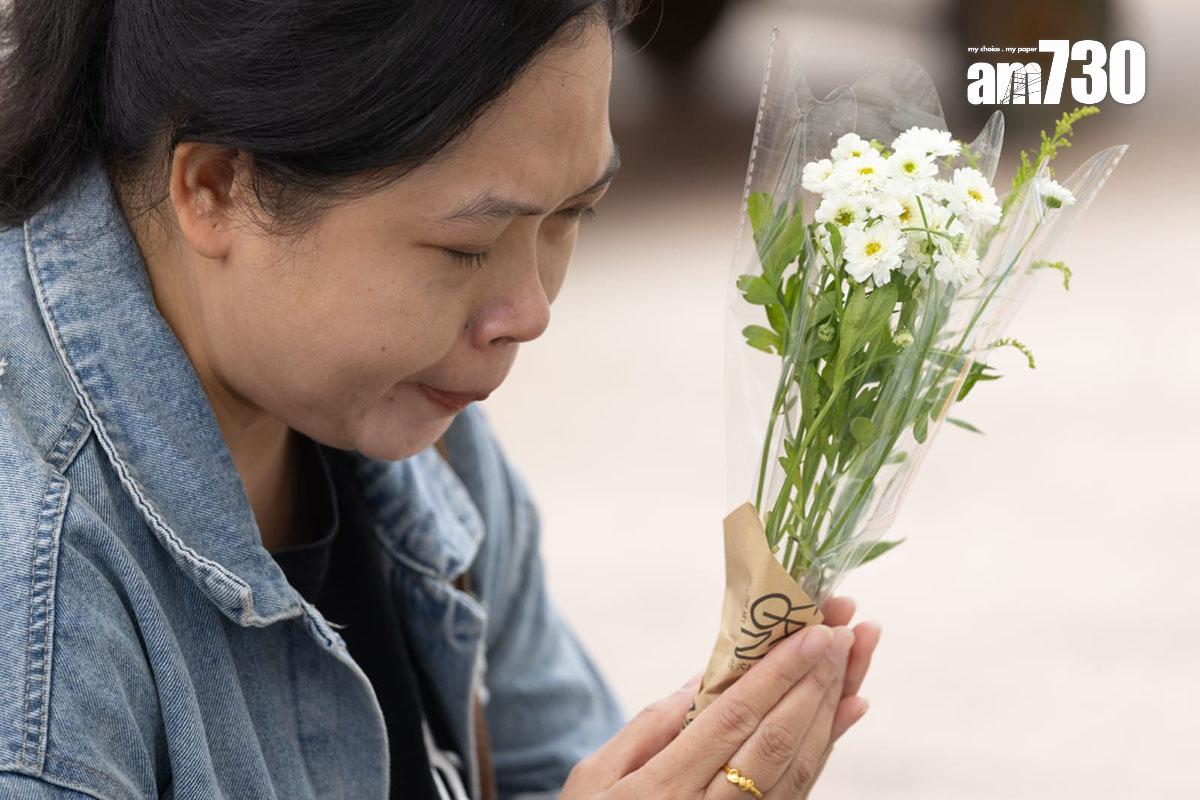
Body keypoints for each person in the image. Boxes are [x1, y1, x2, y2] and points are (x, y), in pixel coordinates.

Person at [0, 1, 882, 798]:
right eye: (467, 247)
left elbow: (548, 759)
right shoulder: (37, 592)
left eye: (575, 215)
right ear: (218, 187)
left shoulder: (424, 445)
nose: (530, 313)